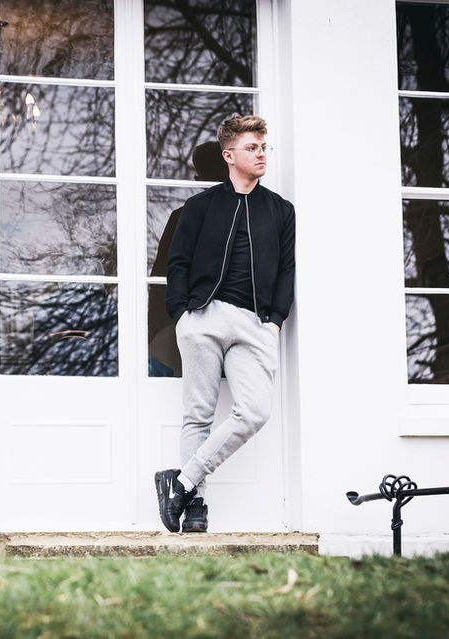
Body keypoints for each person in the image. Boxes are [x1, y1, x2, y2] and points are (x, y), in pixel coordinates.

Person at [155, 115, 296, 533]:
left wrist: (274, 322)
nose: (261, 155)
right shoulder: (199, 207)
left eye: (263, 147)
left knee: (253, 411)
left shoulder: (280, 210)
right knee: (197, 415)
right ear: (229, 155)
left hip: (255, 323)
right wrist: (182, 315)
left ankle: (179, 482)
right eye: (252, 148)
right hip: (204, 316)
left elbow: (287, 271)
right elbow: (176, 265)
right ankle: (195, 507)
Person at [148, 141, 229, 377]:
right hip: (189, 326)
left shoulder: (253, 215)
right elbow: (161, 281)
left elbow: (160, 282)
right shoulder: (182, 218)